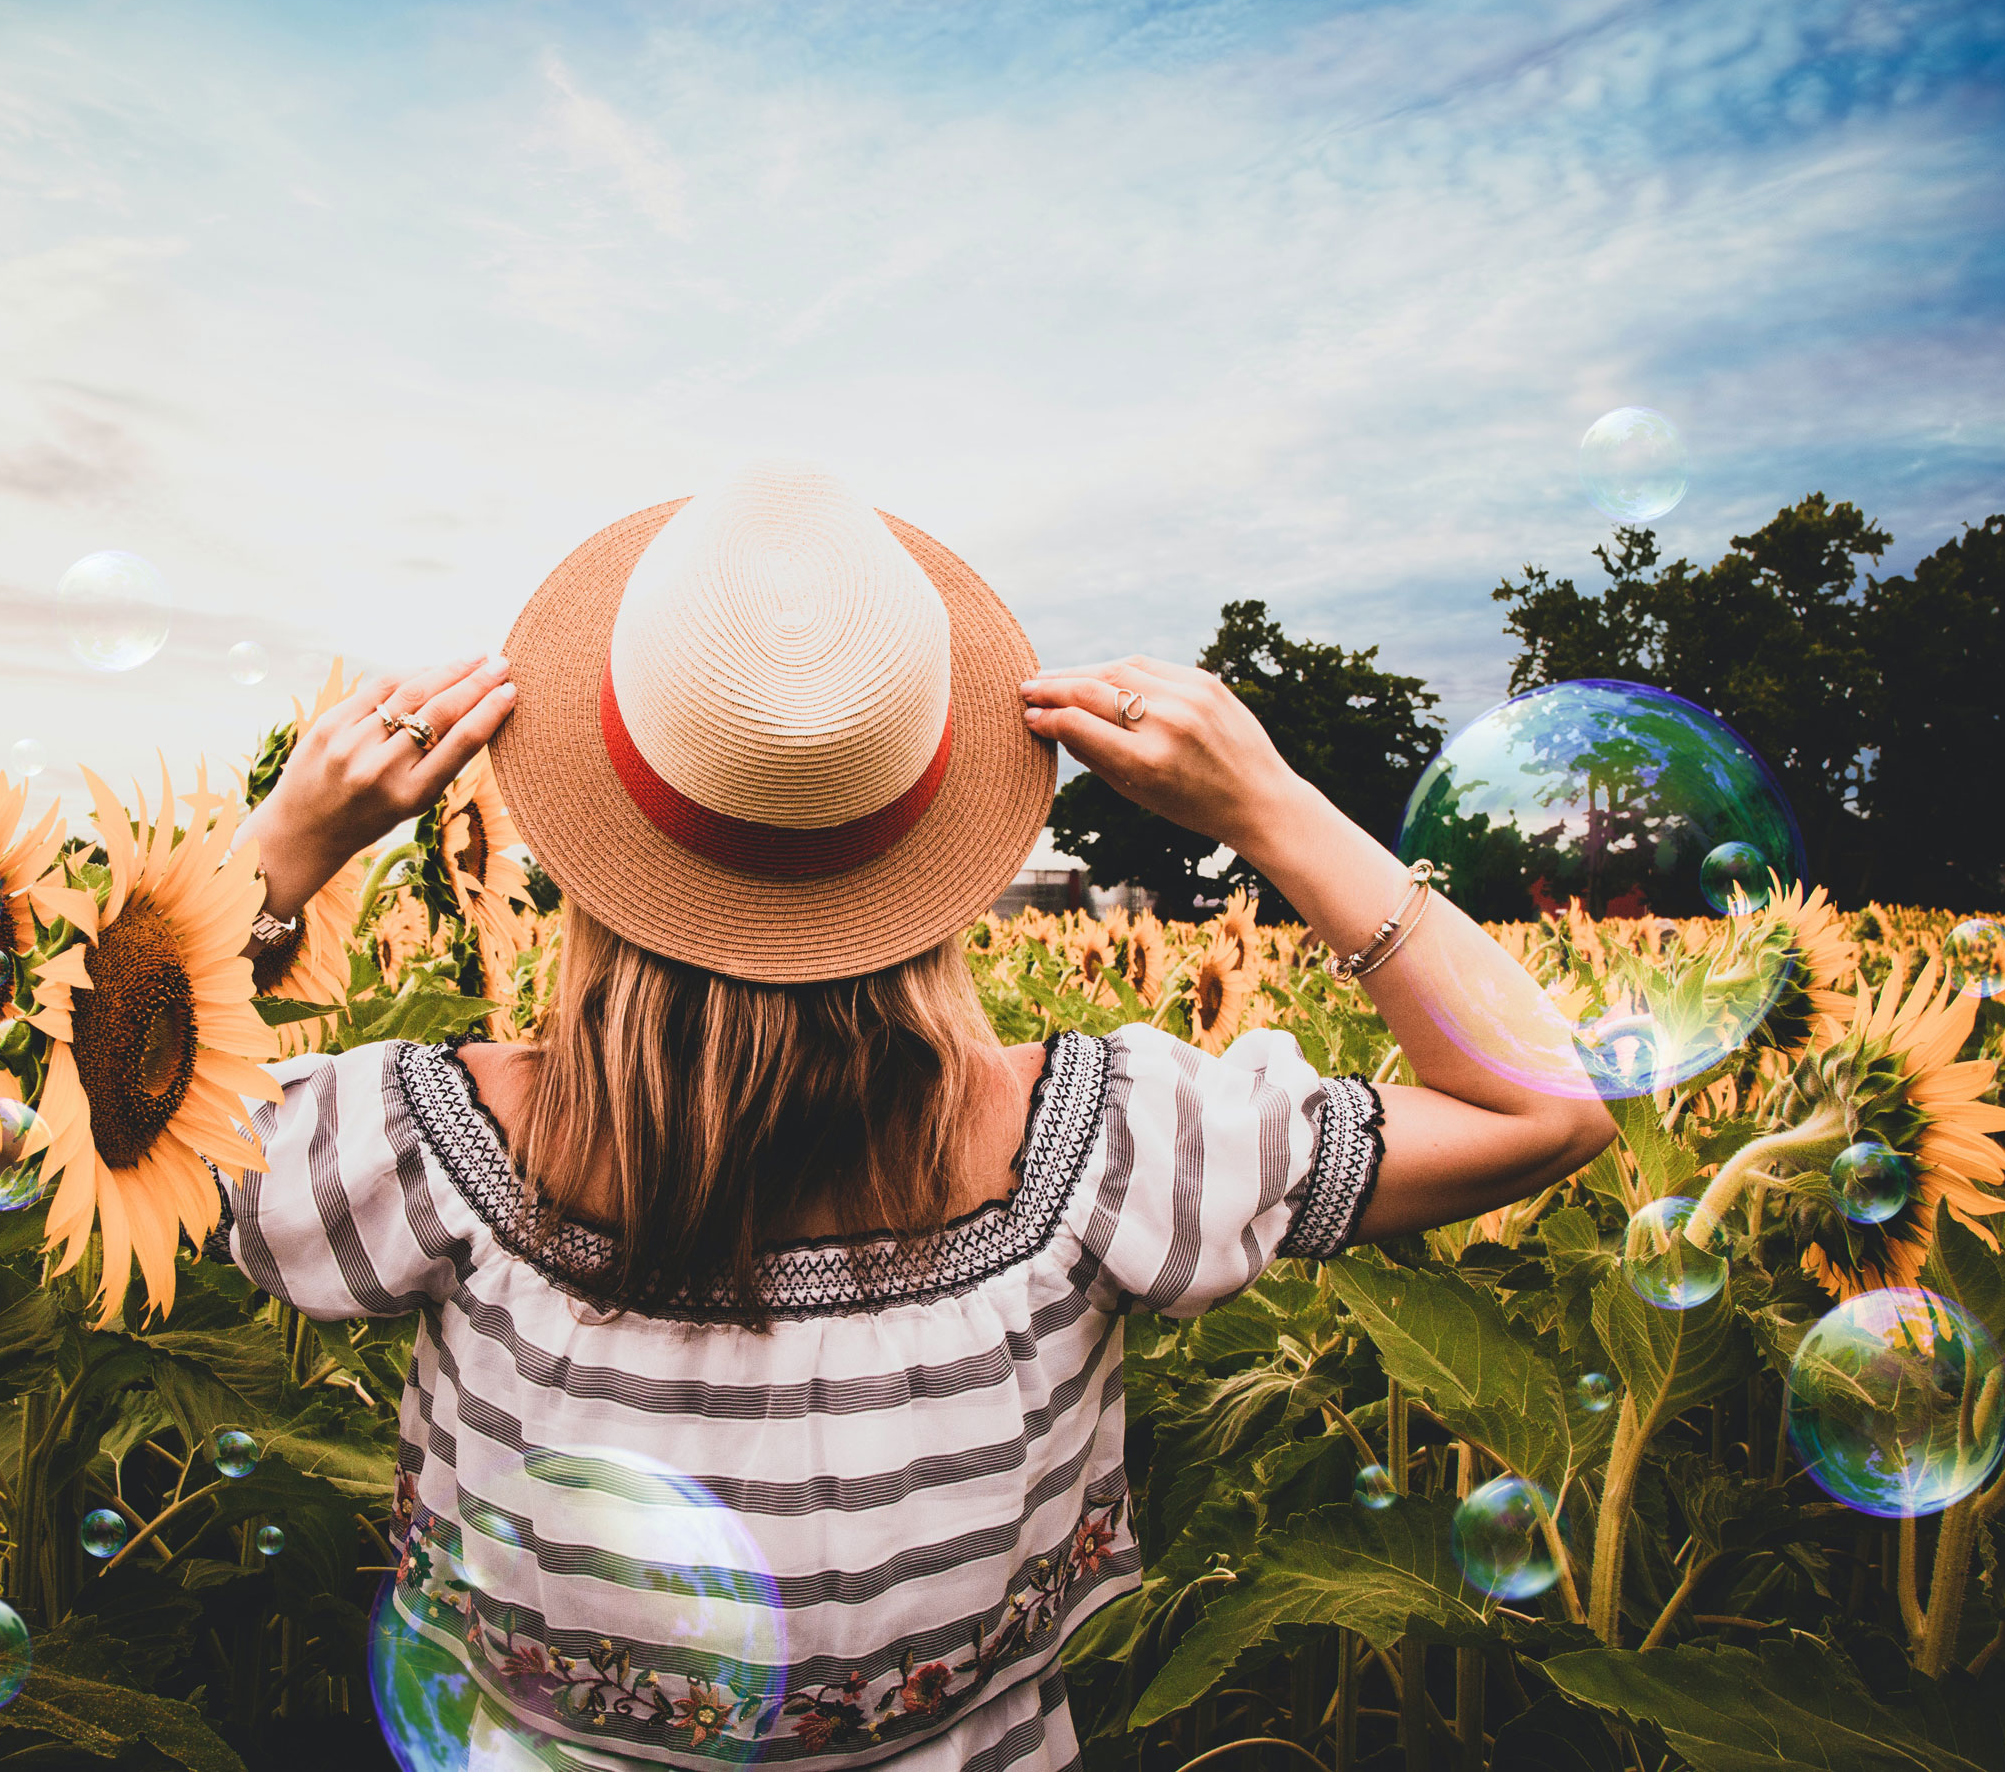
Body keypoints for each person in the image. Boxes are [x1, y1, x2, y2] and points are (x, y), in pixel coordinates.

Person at [220, 463, 1613, 1771]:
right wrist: (1272, 805)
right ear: (938, 840)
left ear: (599, 838)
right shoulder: (1105, 1150)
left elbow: (104, 1122)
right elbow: (1546, 1109)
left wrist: (280, 856)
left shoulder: (426, 1154)